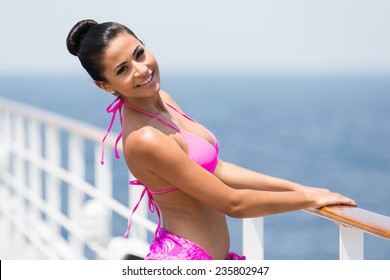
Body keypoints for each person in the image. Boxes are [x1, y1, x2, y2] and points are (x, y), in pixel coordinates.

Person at [66, 19, 357, 260]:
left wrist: (298, 187)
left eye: (139, 53)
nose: (141, 69)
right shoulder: (145, 139)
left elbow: (216, 169)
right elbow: (233, 203)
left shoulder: (163, 101)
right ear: (105, 85)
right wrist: (307, 199)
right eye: (122, 69)